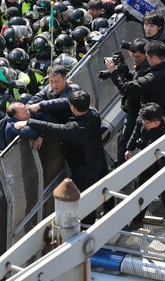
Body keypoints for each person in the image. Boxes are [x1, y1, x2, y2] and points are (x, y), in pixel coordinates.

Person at [14, 91, 108, 224]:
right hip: (98, 160)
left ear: (73, 108)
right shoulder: (93, 114)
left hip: (83, 169)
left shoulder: (75, 128)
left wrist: (29, 121)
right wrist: (41, 105)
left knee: (85, 201)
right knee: (105, 190)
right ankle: (109, 213)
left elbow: (54, 128)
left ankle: (87, 228)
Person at [125, 103, 165, 249]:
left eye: (146, 122)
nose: (143, 123)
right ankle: (137, 220)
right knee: (140, 192)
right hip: (147, 165)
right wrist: (130, 148)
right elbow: (136, 133)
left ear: (156, 122)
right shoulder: (143, 121)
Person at [105, 40, 165, 125]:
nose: (146, 59)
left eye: (147, 57)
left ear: (154, 58)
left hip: (153, 120)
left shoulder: (151, 79)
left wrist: (113, 72)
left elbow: (127, 88)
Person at [104, 38, 150, 166]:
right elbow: (135, 80)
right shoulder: (142, 66)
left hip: (136, 112)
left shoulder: (146, 69)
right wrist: (126, 73)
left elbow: (127, 89)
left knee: (124, 146)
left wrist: (114, 72)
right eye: (132, 56)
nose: (135, 59)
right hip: (134, 109)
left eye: (139, 57)